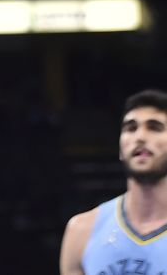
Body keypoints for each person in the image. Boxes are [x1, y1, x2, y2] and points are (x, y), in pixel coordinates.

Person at [60, 89, 167, 274]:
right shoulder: (81, 232)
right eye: (130, 128)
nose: (140, 137)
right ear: (120, 148)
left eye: (154, 127)